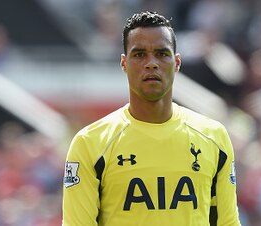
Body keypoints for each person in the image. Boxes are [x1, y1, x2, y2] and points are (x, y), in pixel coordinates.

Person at [62, 11, 241, 226]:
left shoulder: (214, 137)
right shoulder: (90, 143)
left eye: (161, 53)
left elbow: (228, 222)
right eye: (139, 54)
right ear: (124, 63)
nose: (151, 63)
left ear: (176, 63)